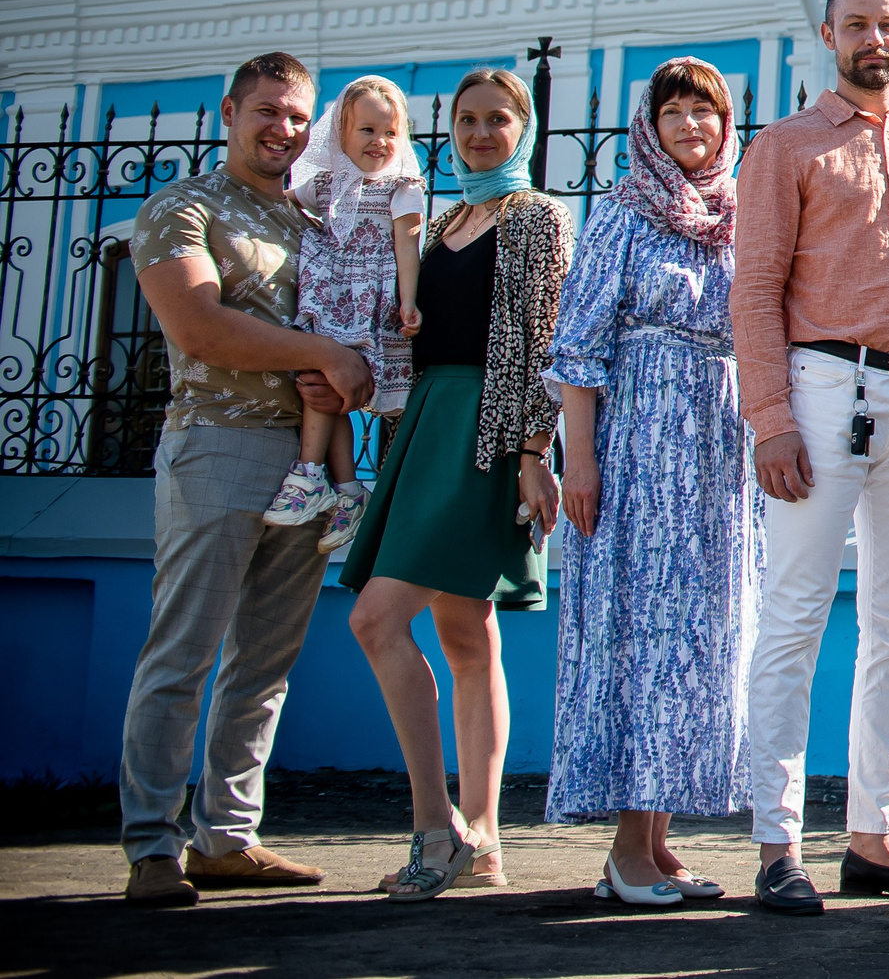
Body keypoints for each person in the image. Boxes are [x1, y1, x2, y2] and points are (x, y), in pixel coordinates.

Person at [734, 0, 889, 915]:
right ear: (828, 33)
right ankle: (777, 843)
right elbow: (755, 285)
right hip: (822, 390)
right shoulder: (785, 145)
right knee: (795, 614)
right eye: (858, 24)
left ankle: (873, 839)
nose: (875, 38)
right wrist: (771, 417)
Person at [119, 51, 375, 907]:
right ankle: (152, 845)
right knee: (183, 651)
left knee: (265, 660)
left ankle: (227, 838)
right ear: (229, 112)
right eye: (268, 110)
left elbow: (358, 333)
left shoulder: (317, 219)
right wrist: (324, 354)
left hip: (311, 457)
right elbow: (199, 327)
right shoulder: (182, 207)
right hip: (219, 444)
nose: (284, 129)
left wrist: (348, 373)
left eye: (299, 117)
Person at [340, 67, 574, 902]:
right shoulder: (441, 221)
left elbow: (547, 338)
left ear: (525, 126)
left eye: (497, 118)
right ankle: (483, 841)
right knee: (467, 636)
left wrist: (534, 450)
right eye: (467, 119)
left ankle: (436, 829)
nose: (480, 133)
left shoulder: (539, 217)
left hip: (488, 437)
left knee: (375, 618)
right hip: (427, 426)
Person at [548, 59, 762, 907]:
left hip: (717, 455)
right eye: (672, 112)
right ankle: (625, 849)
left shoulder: (741, 215)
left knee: (699, 640)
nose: (689, 126)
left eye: (704, 111)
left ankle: (659, 840)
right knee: (641, 636)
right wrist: (580, 459)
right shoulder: (621, 213)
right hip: (637, 452)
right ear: (650, 127)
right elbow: (578, 346)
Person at [263, 75, 425, 552]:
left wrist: (409, 301)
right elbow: (282, 207)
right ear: (340, 134)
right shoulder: (326, 184)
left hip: (369, 301)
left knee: (331, 385)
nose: (380, 141)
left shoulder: (403, 186)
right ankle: (345, 488)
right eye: (367, 130)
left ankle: (313, 475)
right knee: (322, 383)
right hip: (331, 294)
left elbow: (408, 246)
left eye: (390, 132)